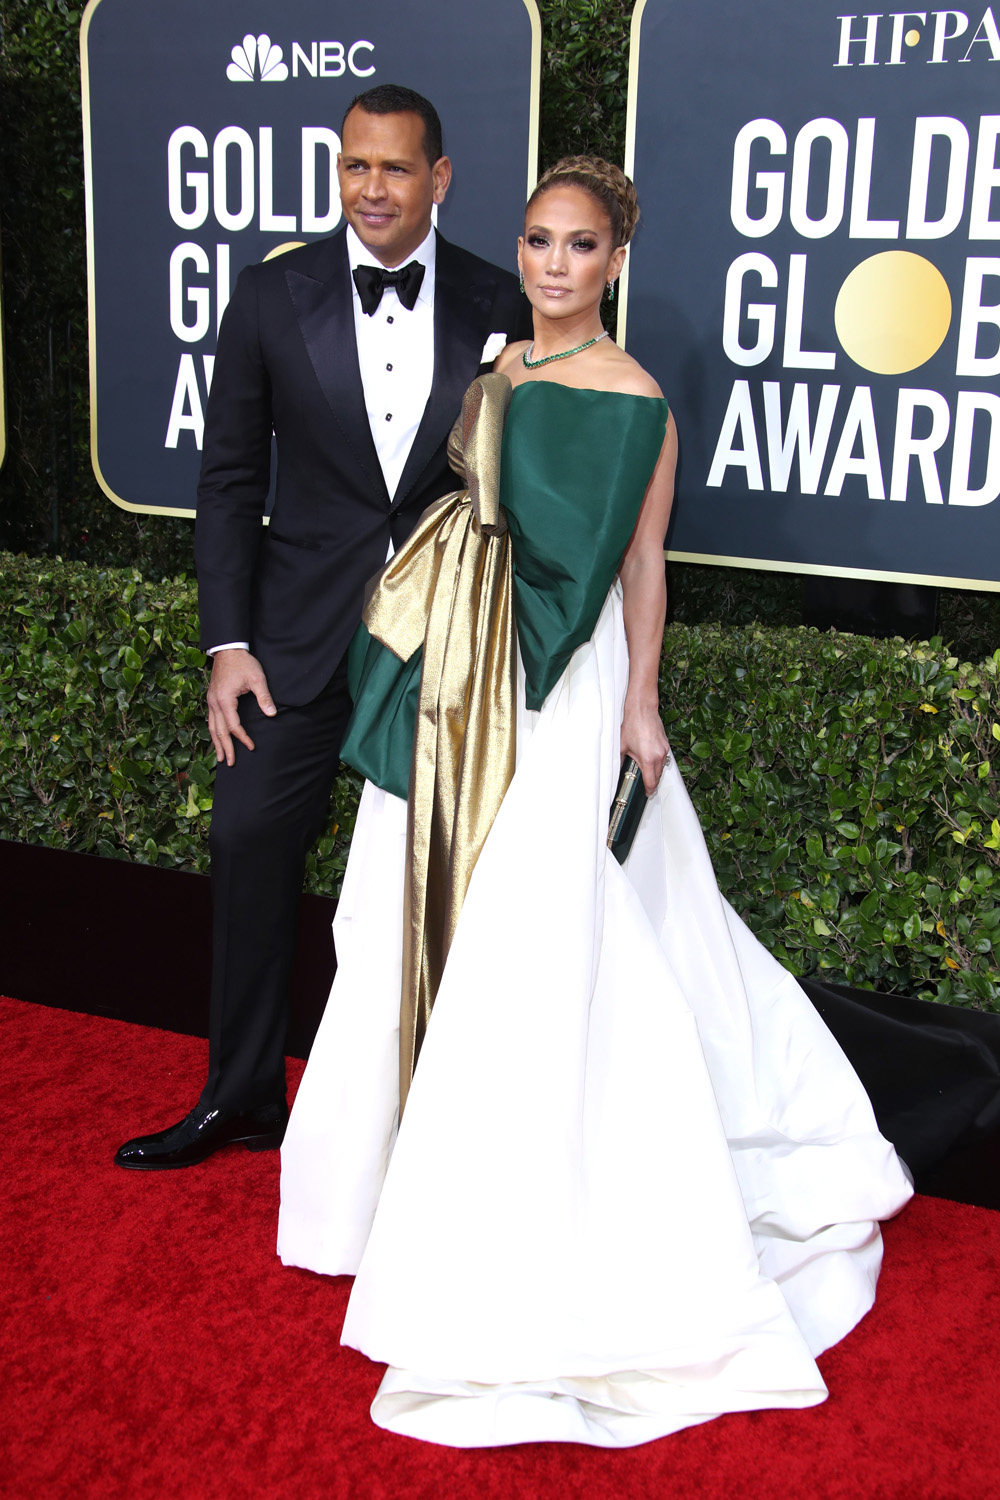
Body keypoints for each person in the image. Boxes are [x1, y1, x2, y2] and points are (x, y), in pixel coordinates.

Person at [277, 158, 913, 1448]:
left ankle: (528, 1213)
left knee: (542, 938)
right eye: (535, 242)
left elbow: (642, 570)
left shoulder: (638, 400)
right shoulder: (501, 365)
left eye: (577, 247)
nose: (552, 265)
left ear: (615, 260)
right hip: (455, 670)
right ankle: (380, 1189)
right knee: (397, 906)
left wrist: (639, 707)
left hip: (559, 691)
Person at [114, 85, 530, 1171]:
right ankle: (243, 1092)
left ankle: (443, 1122)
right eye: (355, 166)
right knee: (246, 837)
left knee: (452, 877)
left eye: (395, 169)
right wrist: (226, 643)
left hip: (441, 643)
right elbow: (228, 481)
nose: (371, 188)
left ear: (439, 177)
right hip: (294, 639)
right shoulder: (269, 295)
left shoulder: (505, 300)